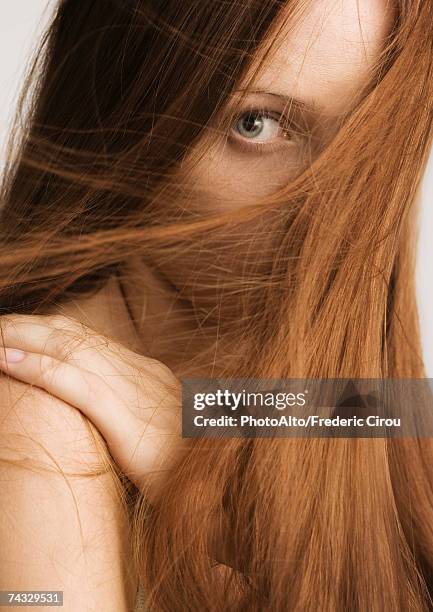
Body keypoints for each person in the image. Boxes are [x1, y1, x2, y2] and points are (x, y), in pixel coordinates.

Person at [0, 0, 432, 610]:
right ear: (119, 112)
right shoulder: (40, 430)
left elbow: (396, 413)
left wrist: (197, 439)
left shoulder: (355, 402)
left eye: (372, 139)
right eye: (255, 124)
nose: (330, 210)